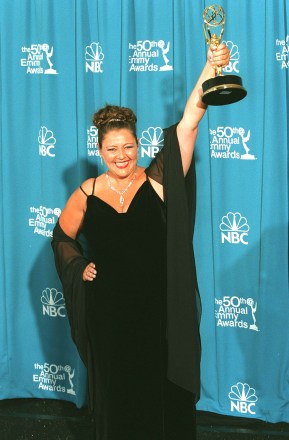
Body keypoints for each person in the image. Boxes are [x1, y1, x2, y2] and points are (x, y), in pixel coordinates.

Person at [52, 44, 230, 440]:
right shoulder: (86, 193)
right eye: (112, 149)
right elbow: (62, 236)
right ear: (99, 151)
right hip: (108, 314)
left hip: (156, 312)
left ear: (138, 146)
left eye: (128, 147)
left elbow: (189, 123)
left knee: (158, 395)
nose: (121, 156)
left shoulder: (157, 181)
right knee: (118, 397)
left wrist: (210, 67)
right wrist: (80, 266)